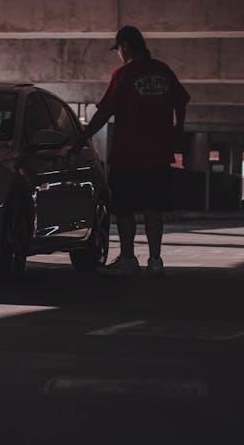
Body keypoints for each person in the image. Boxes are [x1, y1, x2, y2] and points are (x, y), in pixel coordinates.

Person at [74, 25, 190, 277]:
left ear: (125, 46)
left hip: (128, 155)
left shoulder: (123, 74)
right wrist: (177, 128)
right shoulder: (163, 71)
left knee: (124, 211)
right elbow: (181, 100)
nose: (119, 54)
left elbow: (104, 111)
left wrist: (83, 136)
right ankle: (156, 260)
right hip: (158, 155)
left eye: (118, 49)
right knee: (153, 209)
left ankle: (128, 258)